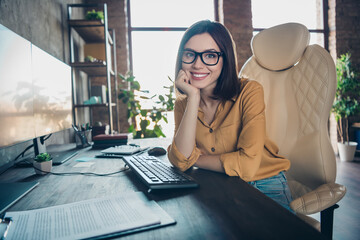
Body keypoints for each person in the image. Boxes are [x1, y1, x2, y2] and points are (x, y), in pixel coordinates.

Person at [167, 20, 293, 211]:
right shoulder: (183, 103)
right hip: (219, 180)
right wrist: (193, 97)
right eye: (190, 54)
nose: (197, 65)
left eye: (210, 55)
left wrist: (195, 159)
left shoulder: (249, 91)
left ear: (225, 59)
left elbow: (248, 165)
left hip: (264, 181)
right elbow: (180, 161)